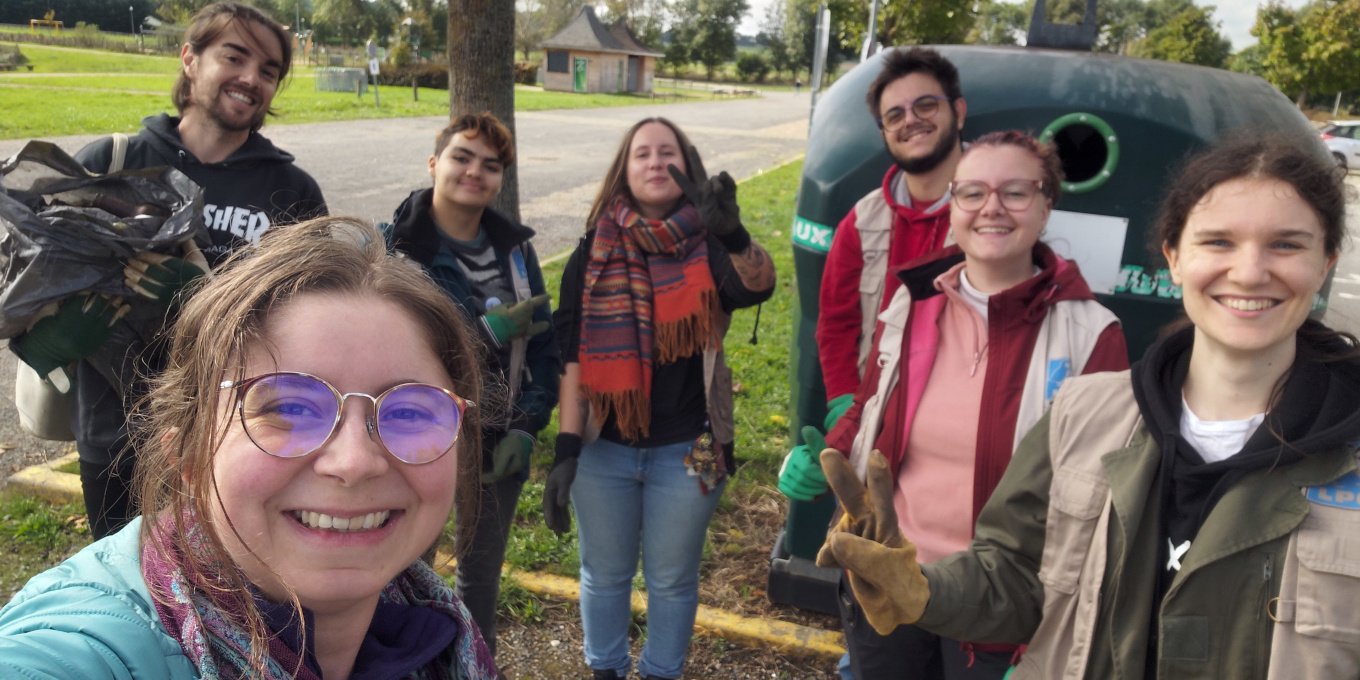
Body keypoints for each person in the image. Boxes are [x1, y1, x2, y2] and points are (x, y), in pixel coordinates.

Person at [817, 135, 1360, 679]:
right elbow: (1019, 574)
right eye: (1218, 242)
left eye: (1286, 245)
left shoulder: (1088, 330)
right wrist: (922, 591)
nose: (1248, 272)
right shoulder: (1084, 415)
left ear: (1326, 263)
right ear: (1173, 256)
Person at [0, 217, 496, 679]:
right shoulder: (90, 648)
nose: (355, 462)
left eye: (408, 411)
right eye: (288, 408)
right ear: (188, 453)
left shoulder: (432, 627)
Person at [781, 131, 1128, 679]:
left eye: (1015, 192)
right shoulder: (911, 302)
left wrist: (1059, 626)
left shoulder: (1091, 334)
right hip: (887, 570)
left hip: (998, 600)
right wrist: (830, 451)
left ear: (1045, 207)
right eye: (972, 192)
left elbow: (1105, 496)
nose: (992, 207)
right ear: (953, 208)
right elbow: (873, 403)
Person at [59, 0, 326, 541]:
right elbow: (38, 276)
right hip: (117, 436)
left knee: (227, 598)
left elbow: (314, 323)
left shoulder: (293, 192)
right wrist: (55, 334)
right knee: (130, 598)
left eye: (269, 71)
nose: (251, 78)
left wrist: (206, 299)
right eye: (234, 57)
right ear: (190, 59)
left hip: (237, 441)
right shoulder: (114, 163)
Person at [545, 117, 776, 680]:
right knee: (604, 573)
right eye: (641, 153)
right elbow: (573, 356)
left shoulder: (709, 243)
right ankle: (605, 670)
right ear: (624, 170)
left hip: (687, 450)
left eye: (665, 151)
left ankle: (660, 673)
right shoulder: (592, 250)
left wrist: (734, 236)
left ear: (685, 166)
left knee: (673, 579)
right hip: (605, 450)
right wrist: (568, 448)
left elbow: (757, 286)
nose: (653, 161)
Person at [381, 112, 560, 661]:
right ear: (435, 163)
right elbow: (394, 354)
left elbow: (545, 350)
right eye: (462, 157)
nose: (474, 172)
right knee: (403, 569)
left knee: (480, 574)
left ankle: (473, 665)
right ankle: (397, 665)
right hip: (417, 434)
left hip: (495, 438)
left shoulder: (516, 252)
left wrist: (527, 429)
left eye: (491, 165)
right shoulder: (397, 250)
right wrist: (487, 332)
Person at [816, 47, 967, 434]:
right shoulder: (861, 222)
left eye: (926, 105)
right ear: (884, 132)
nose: (911, 121)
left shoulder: (993, 214)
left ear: (959, 112)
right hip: (871, 422)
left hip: (954, 429)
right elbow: (836, 322)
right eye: (895, 115)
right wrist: (844, 402)